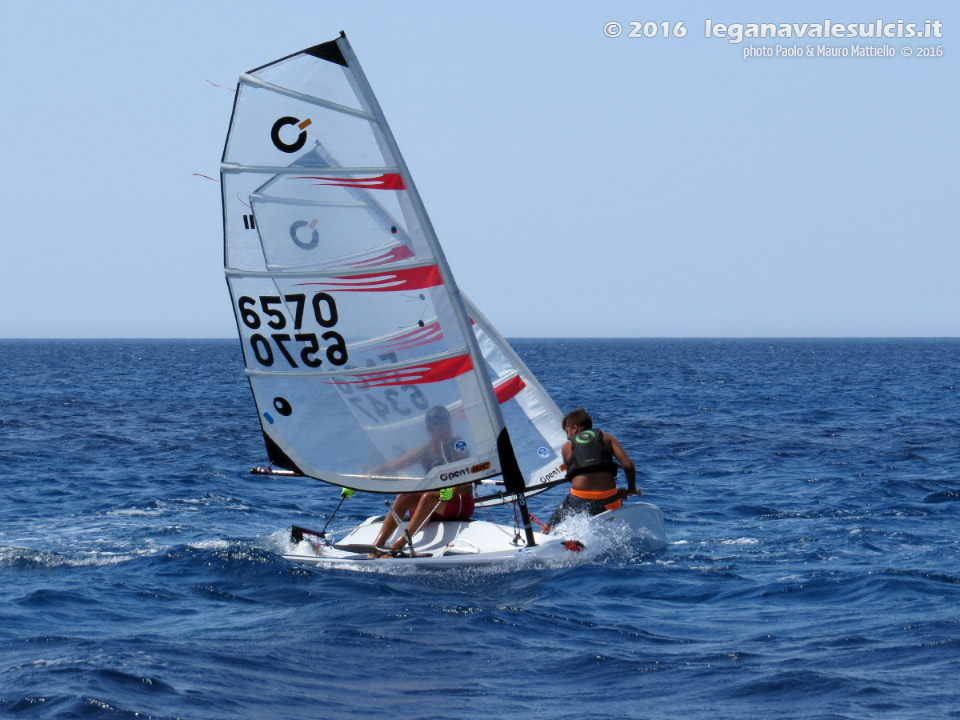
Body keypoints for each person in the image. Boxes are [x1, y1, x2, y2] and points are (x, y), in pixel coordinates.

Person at [369, 405, 474, 556]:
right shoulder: (424, 451)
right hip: (434, 506)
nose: (445, 428)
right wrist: (362, 477)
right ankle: (376, 546)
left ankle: (397, 546)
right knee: (403, 496)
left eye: (447, 423)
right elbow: (391, 466)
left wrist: (452, 490)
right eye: (440, 425)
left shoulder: (458, 447)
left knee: (428, 497)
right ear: (430, 429)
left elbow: (469, 483)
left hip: (460, 503)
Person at [541, 407, 639, 534]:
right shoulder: (607, 437)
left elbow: (573, 477)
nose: (567, 437)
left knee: (555, 519)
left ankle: (543, 535)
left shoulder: (567, 447)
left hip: (580, 499)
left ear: (574, 428)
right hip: (609, 497)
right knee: (614, 513)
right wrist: (631, 489)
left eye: (567, 432)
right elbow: (628, 465)